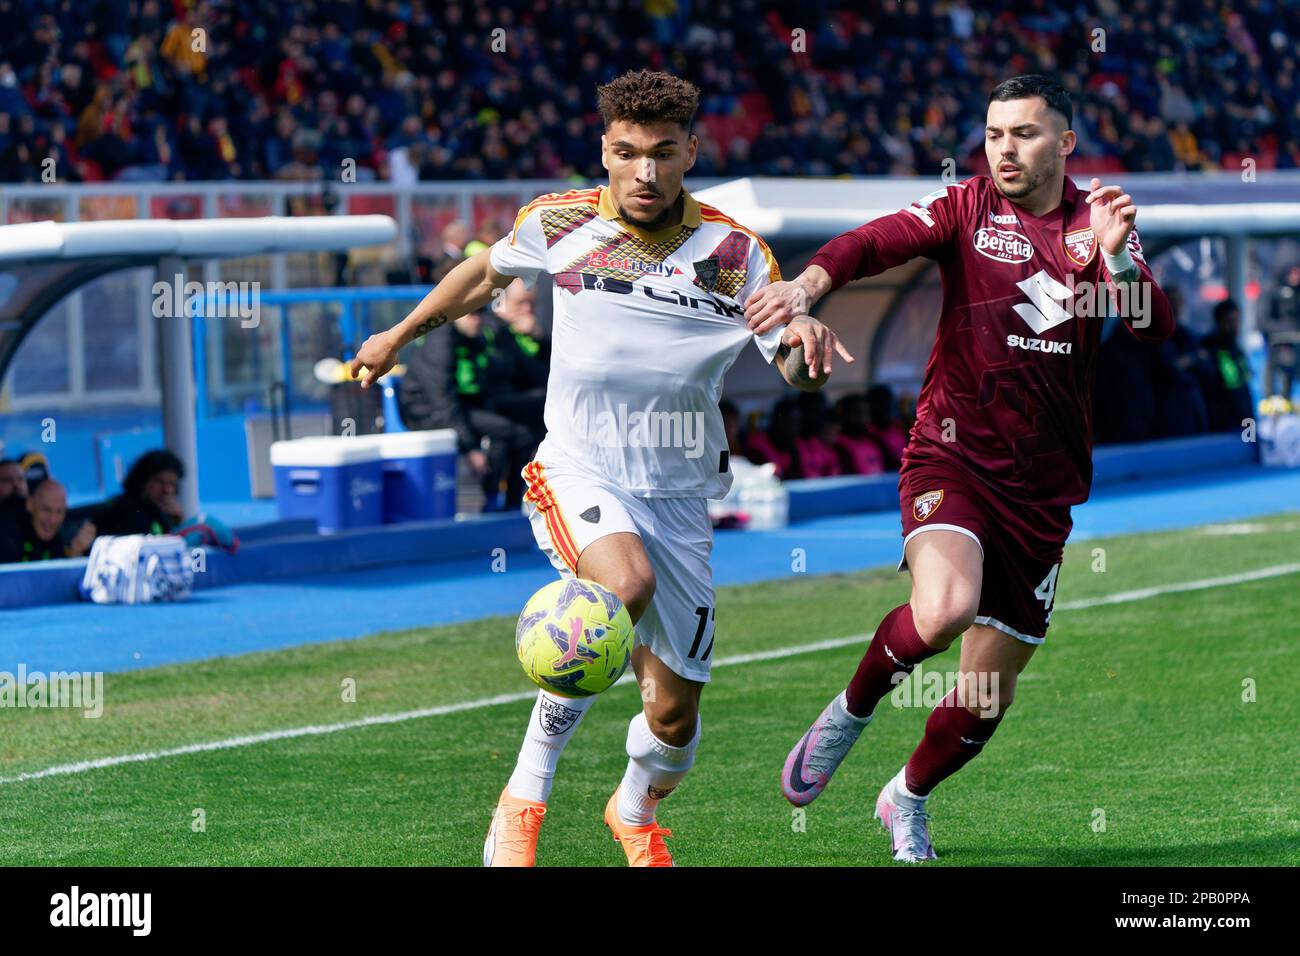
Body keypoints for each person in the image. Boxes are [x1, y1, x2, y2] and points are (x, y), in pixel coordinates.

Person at [350, 69, 851, 867]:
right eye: (627, 153)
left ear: (692, 150)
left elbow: (789, 359)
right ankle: (524, 796)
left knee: (674, 721)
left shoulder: (734, 254)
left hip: (682, 497)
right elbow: (484, 276)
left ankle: (632, 809)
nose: (644, 173)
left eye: (662, 153)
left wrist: (811, 357)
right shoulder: (561, 221)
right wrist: (397, 335)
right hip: (581, 469)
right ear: (605, 150)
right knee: (623, 586)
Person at [745, 75, 1172, 862]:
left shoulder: (1099, 220)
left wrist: (1116, 257)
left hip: (1043, 491)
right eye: (995, 133)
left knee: (983, 697)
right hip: (953, 452)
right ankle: (851, 708)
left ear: (1066, 143)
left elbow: (1150, 326)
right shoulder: (965, 208)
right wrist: (808, 283)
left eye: (1026, 133)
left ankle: (905, 798)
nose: (1005, 149)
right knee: (942, 610)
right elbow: (872, 242)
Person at [93, 449, 185, 536]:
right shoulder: (127, 511)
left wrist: (177, 523)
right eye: (160, 481)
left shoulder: (158, 512)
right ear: (142, 481)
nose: (167, 490)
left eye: (172, 484)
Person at [0, 479, 94, 563]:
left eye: (59, 512)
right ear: (30, 505)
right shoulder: (7, 535)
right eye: (46, 510)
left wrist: (75, 553)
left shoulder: (66, 537)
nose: (52, 519)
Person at [1199, 299, 1254, 432]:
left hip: (1243, 422)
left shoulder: (1237, 350)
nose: (1234, 326)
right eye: (1229, 321)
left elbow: (1242, 390)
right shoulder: (1209, 349)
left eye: (1236, 321)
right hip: (1220, 425)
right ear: (1219, 322)